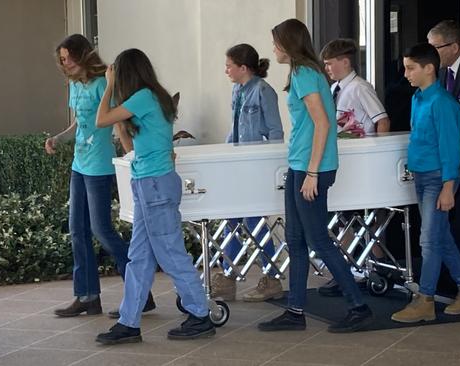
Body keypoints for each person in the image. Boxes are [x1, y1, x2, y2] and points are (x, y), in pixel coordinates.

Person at [258, 19, 374, 333]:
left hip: (313, 169)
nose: (273, 49)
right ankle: (295, 311)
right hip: (301, 166)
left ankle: (358, 306)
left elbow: (322, 123)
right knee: (295, 240)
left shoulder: (304, 73)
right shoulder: (303, 72)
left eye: (276, 43)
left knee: (319, 241)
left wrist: (311, 173)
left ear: (288, 43)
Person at [94, 48, 215, 344]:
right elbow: (128, 143)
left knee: (170, 253)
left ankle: (200, 314)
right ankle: (129, 322)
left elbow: (101, 120)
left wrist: (108, 85)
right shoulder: (152, 97)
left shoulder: (144, 97)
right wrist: (120, 114)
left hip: (155, 186)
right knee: (139, 257)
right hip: (150, 182)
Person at [46, 34, 154, 318]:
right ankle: (87, 296)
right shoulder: (74, 85)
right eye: (61, 59)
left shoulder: (103, 84)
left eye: (67, 57)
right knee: (77, 231)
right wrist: (59, 138)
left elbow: (118, 122)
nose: (64, 63)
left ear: (82, 55)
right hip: (79, 165)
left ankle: (142, 294)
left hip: (100, 168)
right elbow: (79, 123)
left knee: (102, 231)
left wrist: (132, 156)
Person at [391, 43, 460, 323]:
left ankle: (425, 299)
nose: (405, 73)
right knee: (440, 237)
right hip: (422, 176)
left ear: (429, 68)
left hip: (438, 178)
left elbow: (450, 148)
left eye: (411, 67)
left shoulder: (443, 103)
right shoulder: (418, 98)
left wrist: (448, 186)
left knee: (429, 240)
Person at [211, 43, 285, 302]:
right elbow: (236, 129)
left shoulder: (264, 91)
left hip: (256, 165)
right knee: (231, 217)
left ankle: (271, 276)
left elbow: (275, 132)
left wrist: (271, 165)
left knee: (254, 221)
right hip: (237, 163)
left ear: (243, 67)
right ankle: (228, 275)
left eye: (229, 65)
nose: (226, 70)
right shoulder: (237, 90)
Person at [318, 38, 391, 297]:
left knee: (367, 219)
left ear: (345, 62)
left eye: (330, 63)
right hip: (342, 163)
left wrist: (380, 156)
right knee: (344, 220)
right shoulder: (334, 89)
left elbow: (381, 121)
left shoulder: (359, 88)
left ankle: (380, 268)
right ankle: (345, 270)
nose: (326, 68)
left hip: (363, 164)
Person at [427, 20, 460, 279]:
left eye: (435, 48)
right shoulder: (440, 73)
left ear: (453, 46)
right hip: (450, 156)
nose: (430, 55)